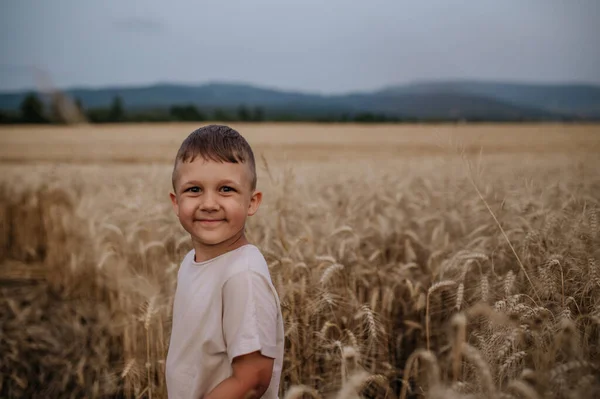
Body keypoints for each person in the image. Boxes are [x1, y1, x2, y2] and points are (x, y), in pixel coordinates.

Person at [166, 125, 284, 399]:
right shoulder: (189, 263)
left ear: (252, 202)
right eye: (194, 189)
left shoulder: (243, 276)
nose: (209, 203)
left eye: (226, 189)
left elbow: (252, 379)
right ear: (175, 202)